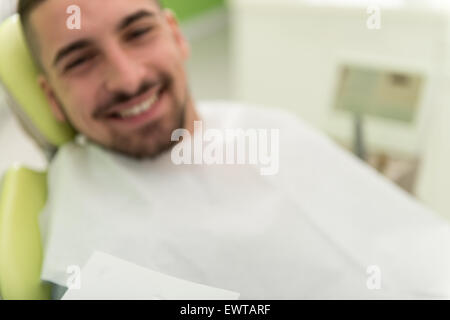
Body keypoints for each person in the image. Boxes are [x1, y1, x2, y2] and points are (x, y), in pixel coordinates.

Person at [18, 0, 450, 299]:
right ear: (51, 97)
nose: (128, 79)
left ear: (175, 35)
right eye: (79, 60)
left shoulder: (266, 126)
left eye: (138, 32)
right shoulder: (90, 255)